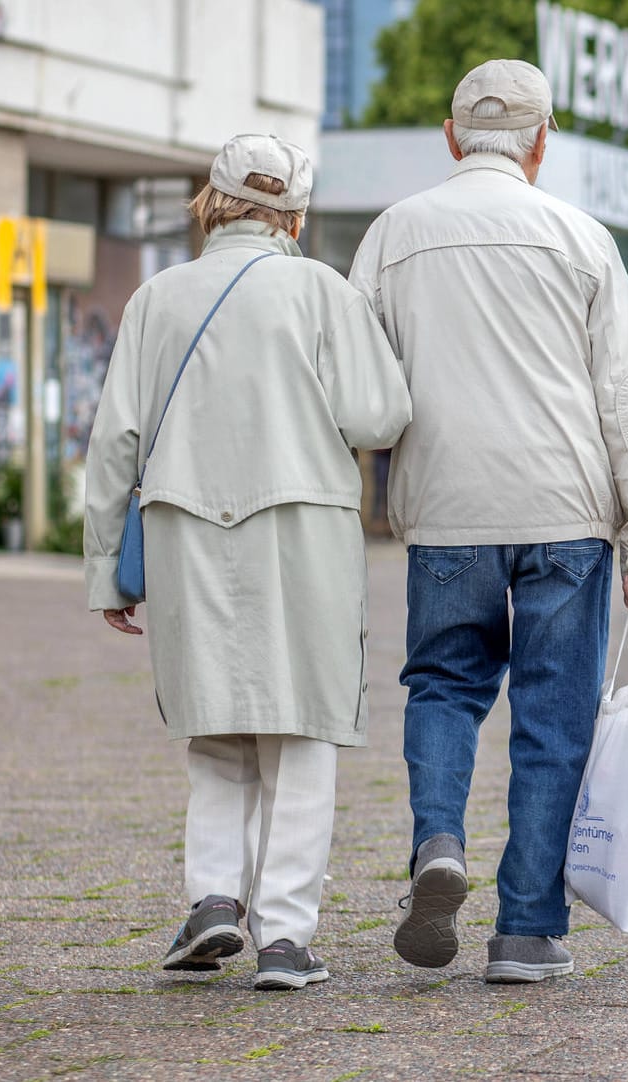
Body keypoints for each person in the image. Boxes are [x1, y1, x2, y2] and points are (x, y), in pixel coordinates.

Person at [347, 59, 628, 985]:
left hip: (448, 506)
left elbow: (357, 381)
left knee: (446, 685)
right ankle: (527, 930)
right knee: (553, 714)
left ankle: (439, 842)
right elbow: (626, 393)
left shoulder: (392, 235)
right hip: (566, 512)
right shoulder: (581, 237)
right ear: (542, 141)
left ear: (452, 137)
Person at [83, 134, 410, 991]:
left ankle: (213, 903)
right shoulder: (320, 291)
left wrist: (105, 573)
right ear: (294, 213)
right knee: (303, 731)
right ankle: (286, 940)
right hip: (301, 526)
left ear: (213, 200)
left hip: (186, 528)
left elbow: (115, 442)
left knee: (218, 728)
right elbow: (379, 415)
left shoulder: (155, 299)